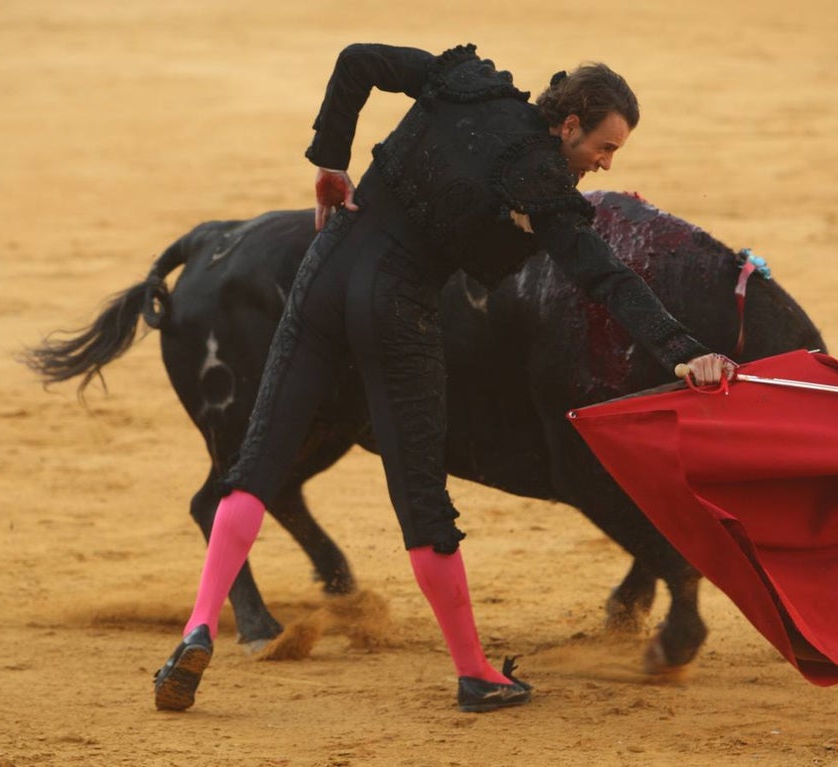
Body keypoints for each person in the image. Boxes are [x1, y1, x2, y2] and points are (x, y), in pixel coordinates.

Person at [153, 42, 732, 714]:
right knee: (424, 503)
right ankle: (474, 672)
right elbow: (603, 275)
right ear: (570, 125)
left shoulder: (465, 85)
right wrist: (682, 348)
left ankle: (199, 624)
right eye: (605, 147)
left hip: (324, 273)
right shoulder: (542, 185)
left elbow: (356, 61)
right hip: (398, 311)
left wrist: (330, 162)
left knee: (256, 465)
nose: (605, 164)